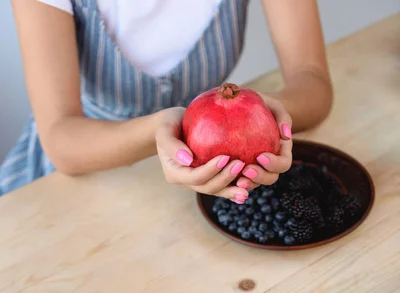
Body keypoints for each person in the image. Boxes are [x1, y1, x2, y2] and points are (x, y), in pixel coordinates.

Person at [0, 0, 332, 200]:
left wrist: (260, 116)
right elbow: (61, 141)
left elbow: (313, 82)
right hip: (87, 168)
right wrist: (163, 130)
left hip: (212, 173)